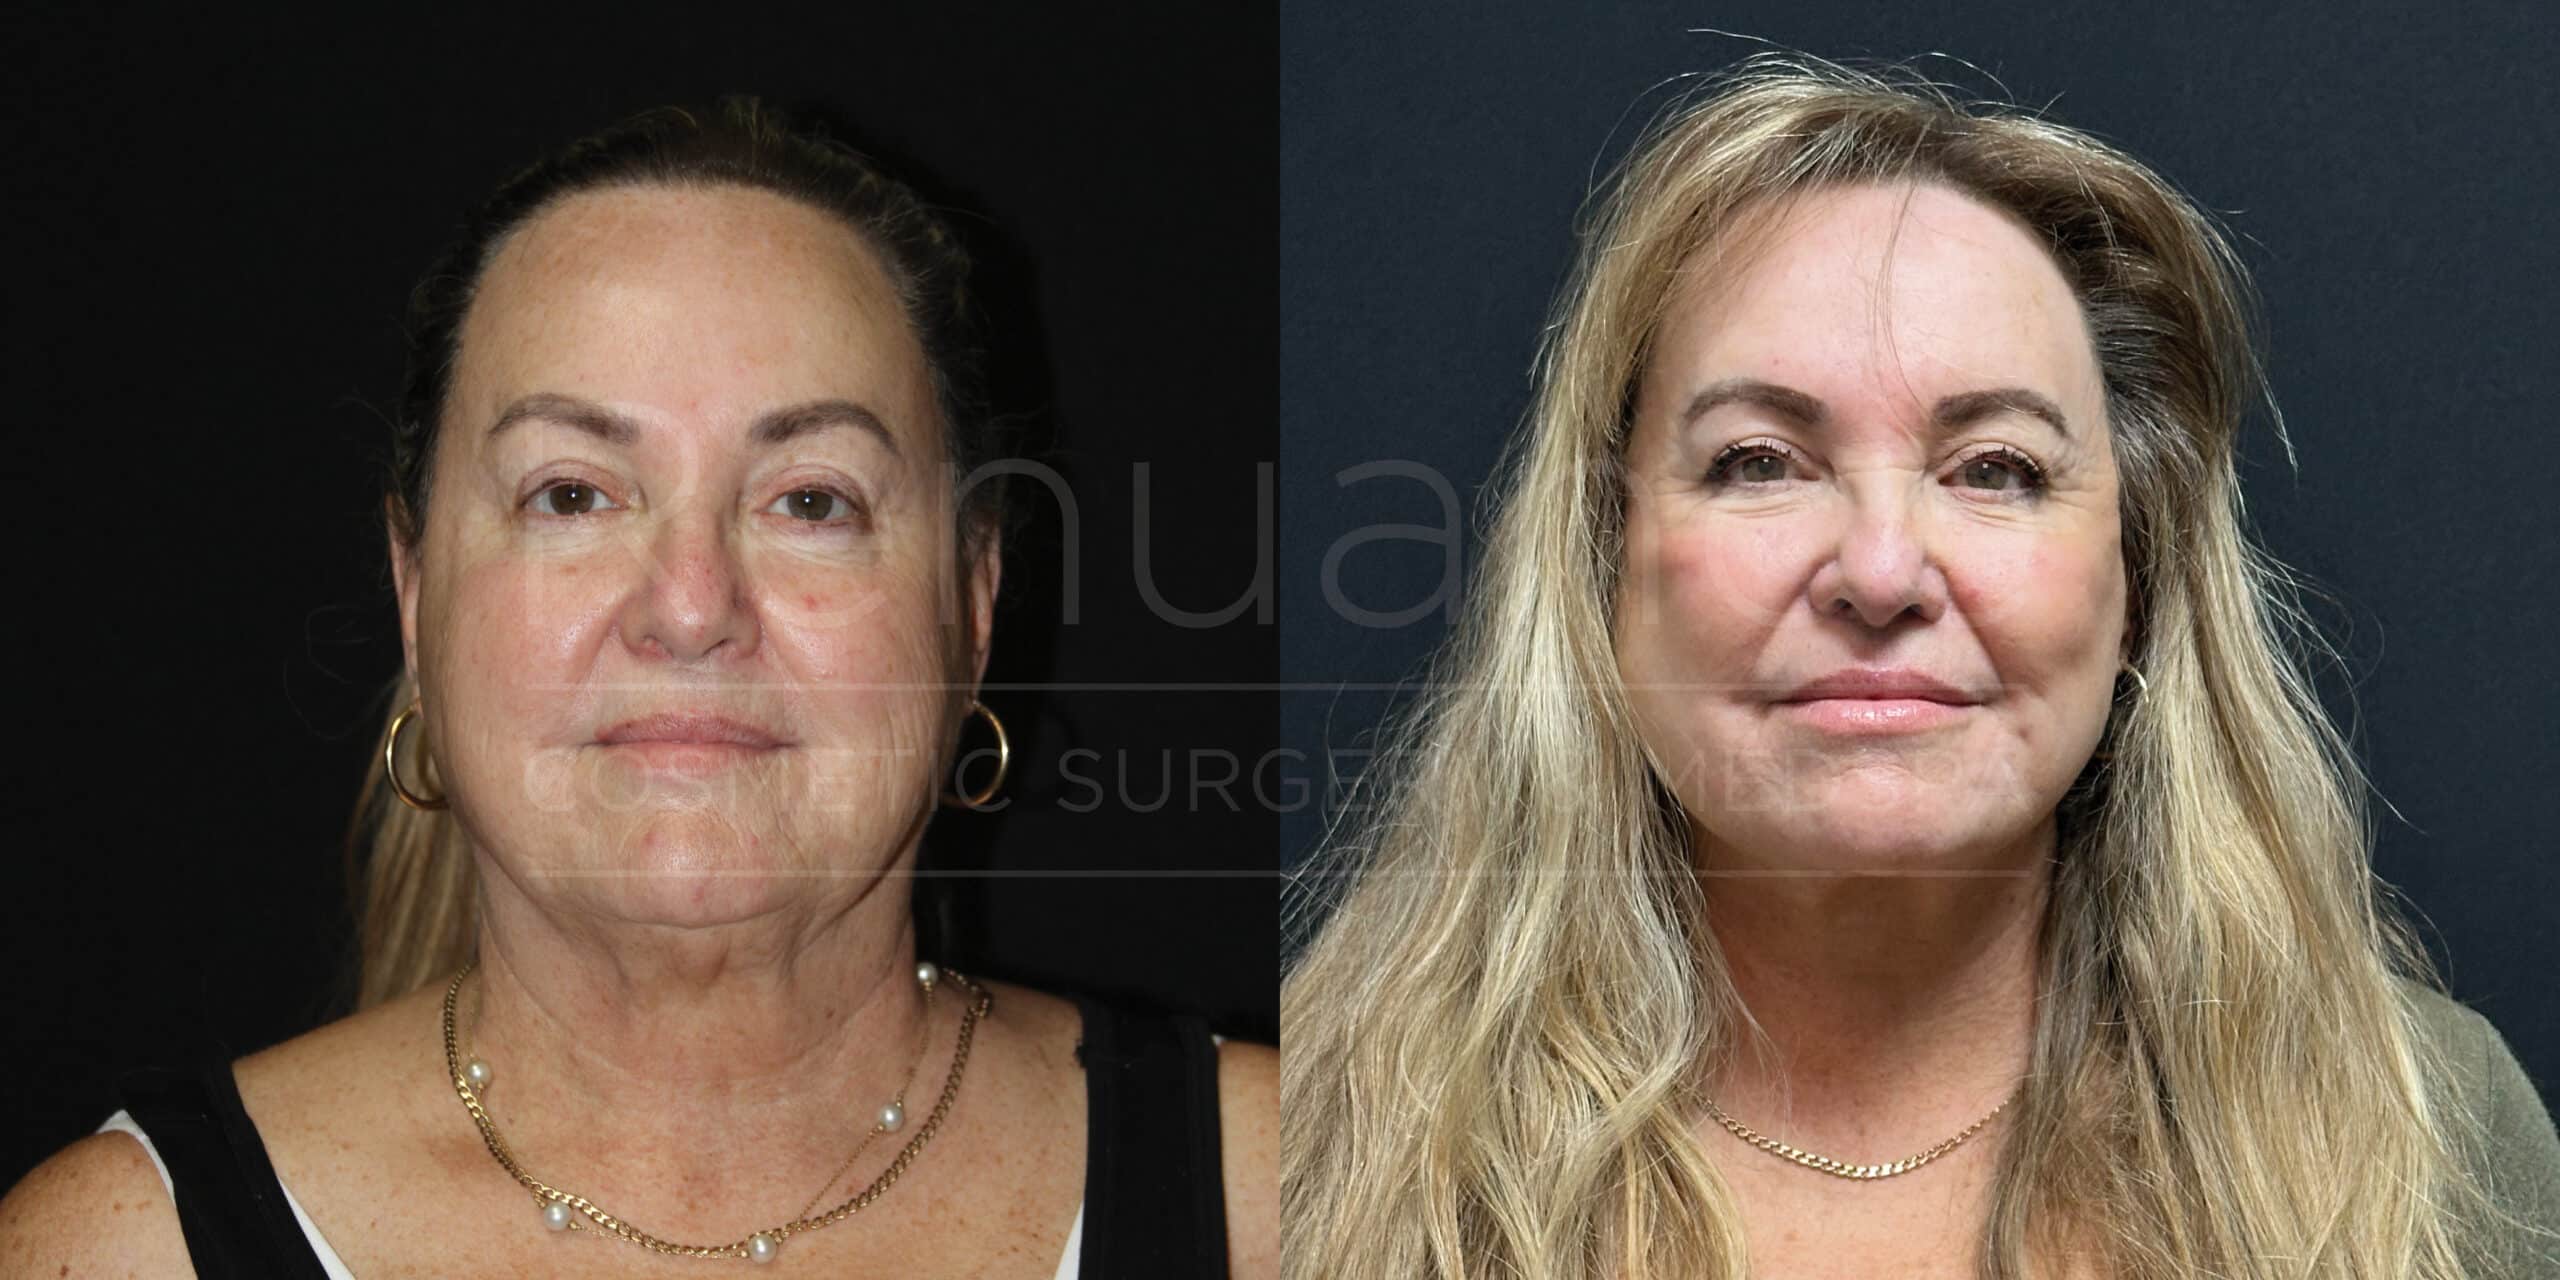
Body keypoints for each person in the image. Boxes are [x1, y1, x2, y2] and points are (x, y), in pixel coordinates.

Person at [1280, 57, 2560, 1280]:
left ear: (2135, 581)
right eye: (1759, 461)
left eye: (1994, 468)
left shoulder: (2435, 1133)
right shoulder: (1302, 1139)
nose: (1882, 571)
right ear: (1602, 563)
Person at [0, 99, 1275, 1278]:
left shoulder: (1297, 1193)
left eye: (810, 500)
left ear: (973, 602)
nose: (689, 605)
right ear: (413, 587)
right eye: (571, 494)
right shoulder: (118, 1247)